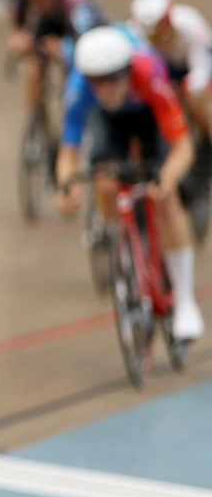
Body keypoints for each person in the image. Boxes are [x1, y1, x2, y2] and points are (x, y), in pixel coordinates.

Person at [56, 25, 201, 342]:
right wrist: (67, 187)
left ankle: (187, 300)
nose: (105, 89)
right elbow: (68, 153)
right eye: (96, 81)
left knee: (166, 197)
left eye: (112, 79)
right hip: (111, 123)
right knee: (106, 182)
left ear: (127, 70)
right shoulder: (80, 88)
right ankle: (121, 250)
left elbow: (183, 146)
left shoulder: (149, 73)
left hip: (149, 115)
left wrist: (167, 177)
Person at [8, 0, 96, 117]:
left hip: (75, 23)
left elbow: (86, 40)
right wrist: (17, 37)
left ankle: (72, 112)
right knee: (34, 62)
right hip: (50, 20)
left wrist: (65, 50)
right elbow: (17, 20)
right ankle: (33, 119)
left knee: (71, 67)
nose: (37, 4)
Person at [129, 0, 212, 132]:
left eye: (164, 31)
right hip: (169, 65)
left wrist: (193, 89)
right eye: (155, 36)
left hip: (199, 59)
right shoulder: (135, 35)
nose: (161, 39)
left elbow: (201, 68)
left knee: (198, 97)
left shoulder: (190, 24)